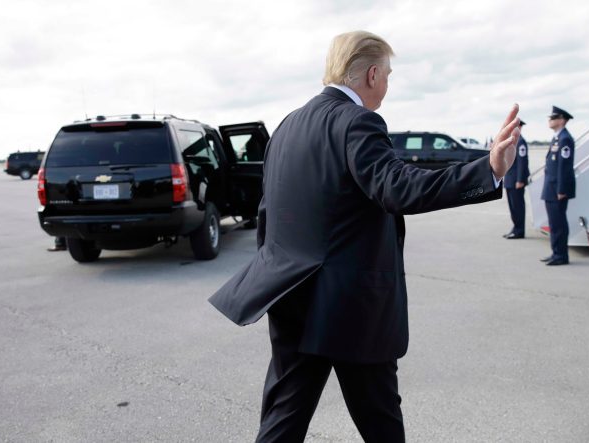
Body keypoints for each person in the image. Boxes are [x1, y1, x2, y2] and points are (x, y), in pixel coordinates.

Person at [208, 30, 520, 442]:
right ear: (372, 74)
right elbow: (399, 188)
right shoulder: (358, 122)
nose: (388, 85)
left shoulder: (288, 125)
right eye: (389, 75)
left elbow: (270, 212)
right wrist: (489, 170)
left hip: (289, 295)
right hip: (350, 308)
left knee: (282, 419)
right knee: (381, 423)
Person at [541, 106, 575, 266]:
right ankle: (556, 252)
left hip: (557, 190)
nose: (550, 120)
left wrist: (562, 190)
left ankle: (561, 255)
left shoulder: (565, 139)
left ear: (561, 120)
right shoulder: (557, 138)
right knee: (554, 224)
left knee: (558, 224)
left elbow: (565, 168)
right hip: (551, 188)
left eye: (553, 118)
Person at [502, 120, 530, 239]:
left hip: (516, 181)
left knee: (518, 207)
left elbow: (522, 163)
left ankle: (519, 231)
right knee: (513, 207)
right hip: (509, 180)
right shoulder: (512, 141)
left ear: (519, 127)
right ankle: (515, 228)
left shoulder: (521, 142)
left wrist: (520, 180)